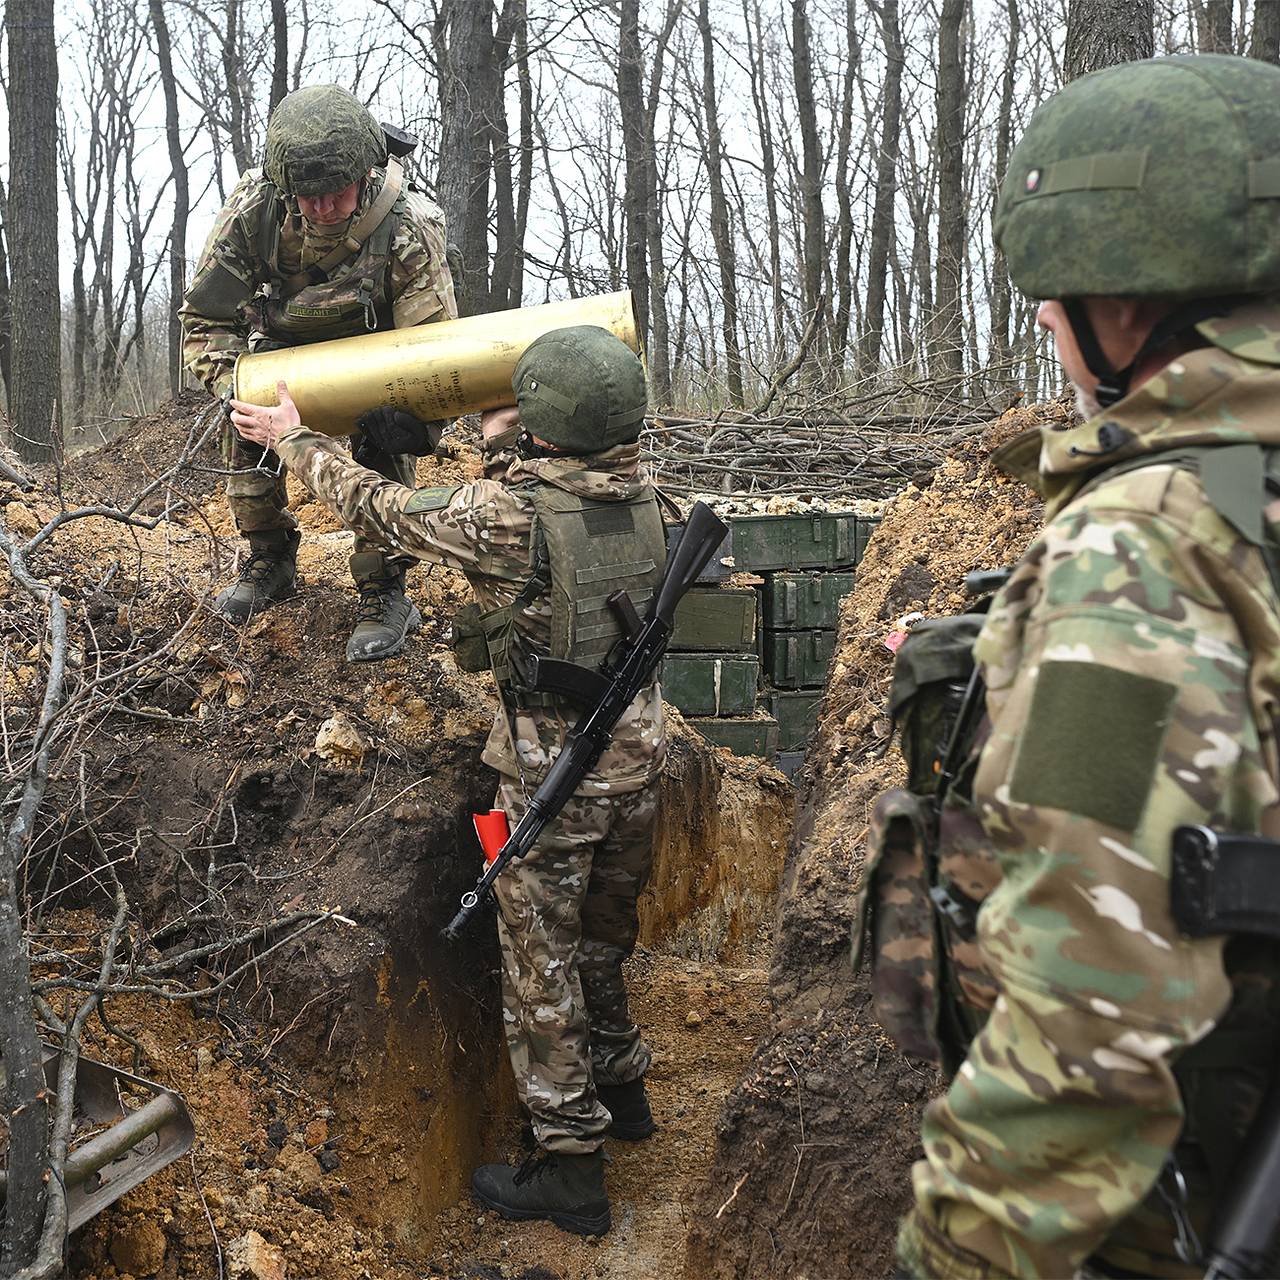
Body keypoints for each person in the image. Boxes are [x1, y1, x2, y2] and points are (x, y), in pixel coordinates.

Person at [866, 54, 1280, 1279]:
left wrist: (950, 1255)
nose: (1042, 321)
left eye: (1053, 290)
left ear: (1123, 305)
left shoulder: (1139, 545)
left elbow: (1092, 1016)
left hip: (1169, 1210)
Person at [228, 325, 665, 1236]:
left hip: (557, 776)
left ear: (546, 426)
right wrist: (512, 436)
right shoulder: (650, 496)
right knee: (603, 943)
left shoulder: (510, 520)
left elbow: (385, 512)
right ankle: (623, 1094)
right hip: (641, 764)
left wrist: (296, 440)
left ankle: (570, 1166)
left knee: (541, 967)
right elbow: (550, 488)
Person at [180, 84, 457, 661]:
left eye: (335, 193)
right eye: (307, 197)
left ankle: (385, 588)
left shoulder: (407, 228)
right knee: (248, 411)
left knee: (383, 439)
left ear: (365, 172)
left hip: (376, 355)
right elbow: (204, 318)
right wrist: (235, 386)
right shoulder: (254, 215)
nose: (323, 209)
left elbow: (435, 350)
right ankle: (269, 557)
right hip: (279, 346)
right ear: (285, 189)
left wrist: (420, 423)